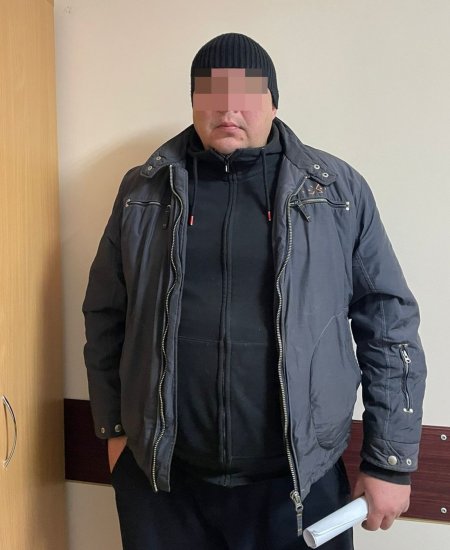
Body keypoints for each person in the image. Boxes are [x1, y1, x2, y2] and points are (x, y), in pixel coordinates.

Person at [83, 33, 427, 550]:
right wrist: (114, 429)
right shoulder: (143, 191)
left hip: (298, 486)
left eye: (246, 93)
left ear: (273, 102)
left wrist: (390, 462)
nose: (228, 109)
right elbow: (106, 314)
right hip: (164, 488)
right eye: (211, 93)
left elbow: (388, 322)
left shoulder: (335, 192)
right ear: (193, 103)